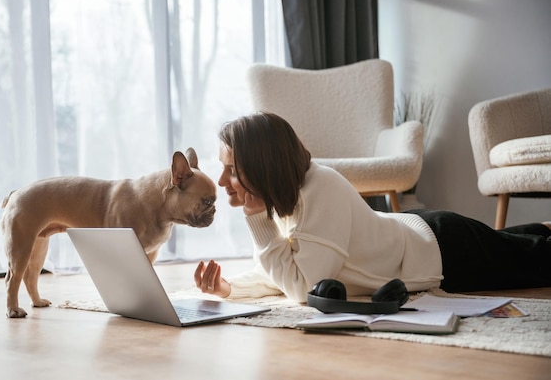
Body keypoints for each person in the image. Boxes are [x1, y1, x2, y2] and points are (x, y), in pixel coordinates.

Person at [193, 111, 551, 302]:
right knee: (517, 244)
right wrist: (229, 289)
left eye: (233, 170)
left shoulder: (321, 187)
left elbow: (305, 289)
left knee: (538, 261)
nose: (222, 182)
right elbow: (286, 274)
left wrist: (257, 221)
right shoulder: (284, 202)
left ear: (262, 166)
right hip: (416, 232)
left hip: (444, 249)